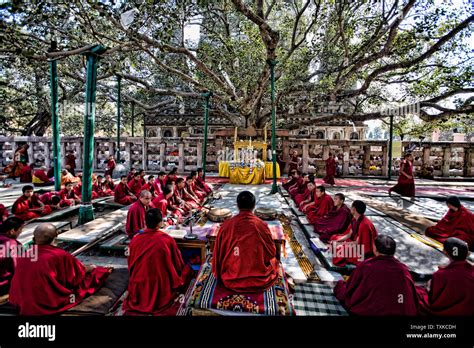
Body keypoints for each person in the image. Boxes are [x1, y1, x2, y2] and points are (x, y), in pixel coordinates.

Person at [9, 223, 112, 315]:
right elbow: (75, 278)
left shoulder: (25, 254)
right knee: (98, 272)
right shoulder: (60, 255)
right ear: (55, 237)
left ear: (33, 239)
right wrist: (90, 268)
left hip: (19, 300)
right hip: (45, 302)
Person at [122, 208, 192, 315]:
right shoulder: (167, 240)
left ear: (146, 222)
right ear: (160, 223)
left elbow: (130, 263)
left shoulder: (135, 240)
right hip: (159, 285)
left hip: (139, 284)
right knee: (188, 270)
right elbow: (177, 264)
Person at [334, 235, 419, 316]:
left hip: (371, 310)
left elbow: (351, 287)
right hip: (402, 310)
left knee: (340, 286)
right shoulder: (404, 269)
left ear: (375, 249)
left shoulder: (366, 265)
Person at [212, 191, 279, 292]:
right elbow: (271, 252)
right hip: (260, 279)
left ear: (237, 205)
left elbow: (218, 253)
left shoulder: (226, 225)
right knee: (274, 261)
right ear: (253, 206)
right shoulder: (261, 225)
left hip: (231, 278)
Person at [416, 238, 473, 316]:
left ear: (445, 252)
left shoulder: (440, 275)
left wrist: (429, 286)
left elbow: (434, 299)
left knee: (416, 292)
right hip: (469, 309)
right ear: (466, 254)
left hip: (449, 311)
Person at [330, 200, 378, 266]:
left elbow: (358, 243)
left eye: (351, 207)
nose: (350, 208)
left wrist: (341, 244)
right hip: (354, 242)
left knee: (340, 249)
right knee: (334, 238)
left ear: (354, 209)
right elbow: (349, 234)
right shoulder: (355, 219)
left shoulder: (364, 225)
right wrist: (338, 241)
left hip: (362, 251)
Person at [0, 217, 25, 296]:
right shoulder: (13, 244)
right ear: (12, 231)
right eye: (20, 231)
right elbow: (17, 268)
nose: (20, 233)